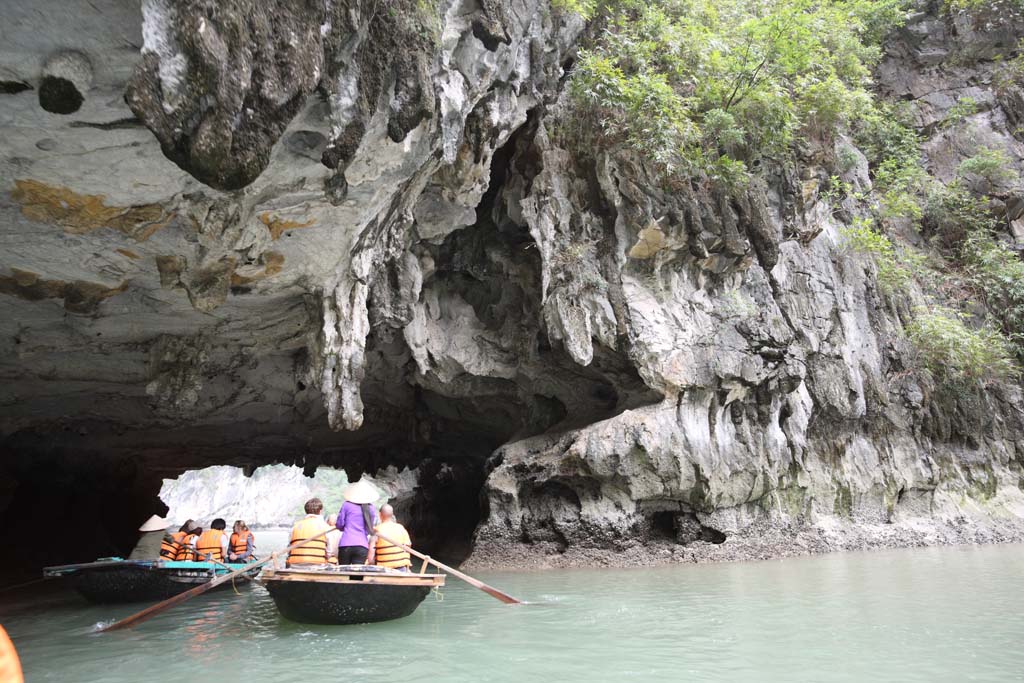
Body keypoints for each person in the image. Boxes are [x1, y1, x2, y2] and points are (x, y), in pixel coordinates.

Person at [335, 479, 379, 565]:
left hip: (346, 544)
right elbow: (369, 527)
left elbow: (339, 524)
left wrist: (344, 528)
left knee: (343, 573)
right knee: (357, 574)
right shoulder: (371, 508)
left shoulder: (347, 505)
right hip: (362, 545)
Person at [287, 498, 332, 566]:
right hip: (318, 564)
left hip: (295, 564)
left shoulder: (295, 526)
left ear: (306, 511)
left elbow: (289, 548)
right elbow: (329, 551)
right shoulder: (325, 526)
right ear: (320, 511)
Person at [372, 504, 412, 571]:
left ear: (380, 514)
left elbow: (371, 557)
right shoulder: (401, 528)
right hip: (401, 569)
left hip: (383, 569)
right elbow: (408, 547)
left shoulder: (377, 530)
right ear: (392, 514)